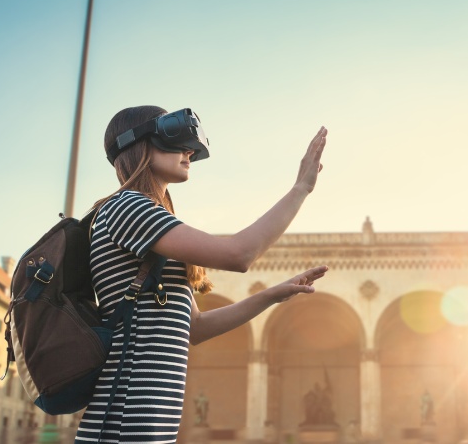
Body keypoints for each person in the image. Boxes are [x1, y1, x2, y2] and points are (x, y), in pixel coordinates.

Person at [74, 105, 328, 443]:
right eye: (175, 140)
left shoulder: (149, 226)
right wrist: (300, 190)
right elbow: (239, 254)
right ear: (140, 145)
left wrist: (271, 295)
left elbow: (195, 328)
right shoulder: (127, 207)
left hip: (148, 423)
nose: (189, 151)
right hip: (123, 423)